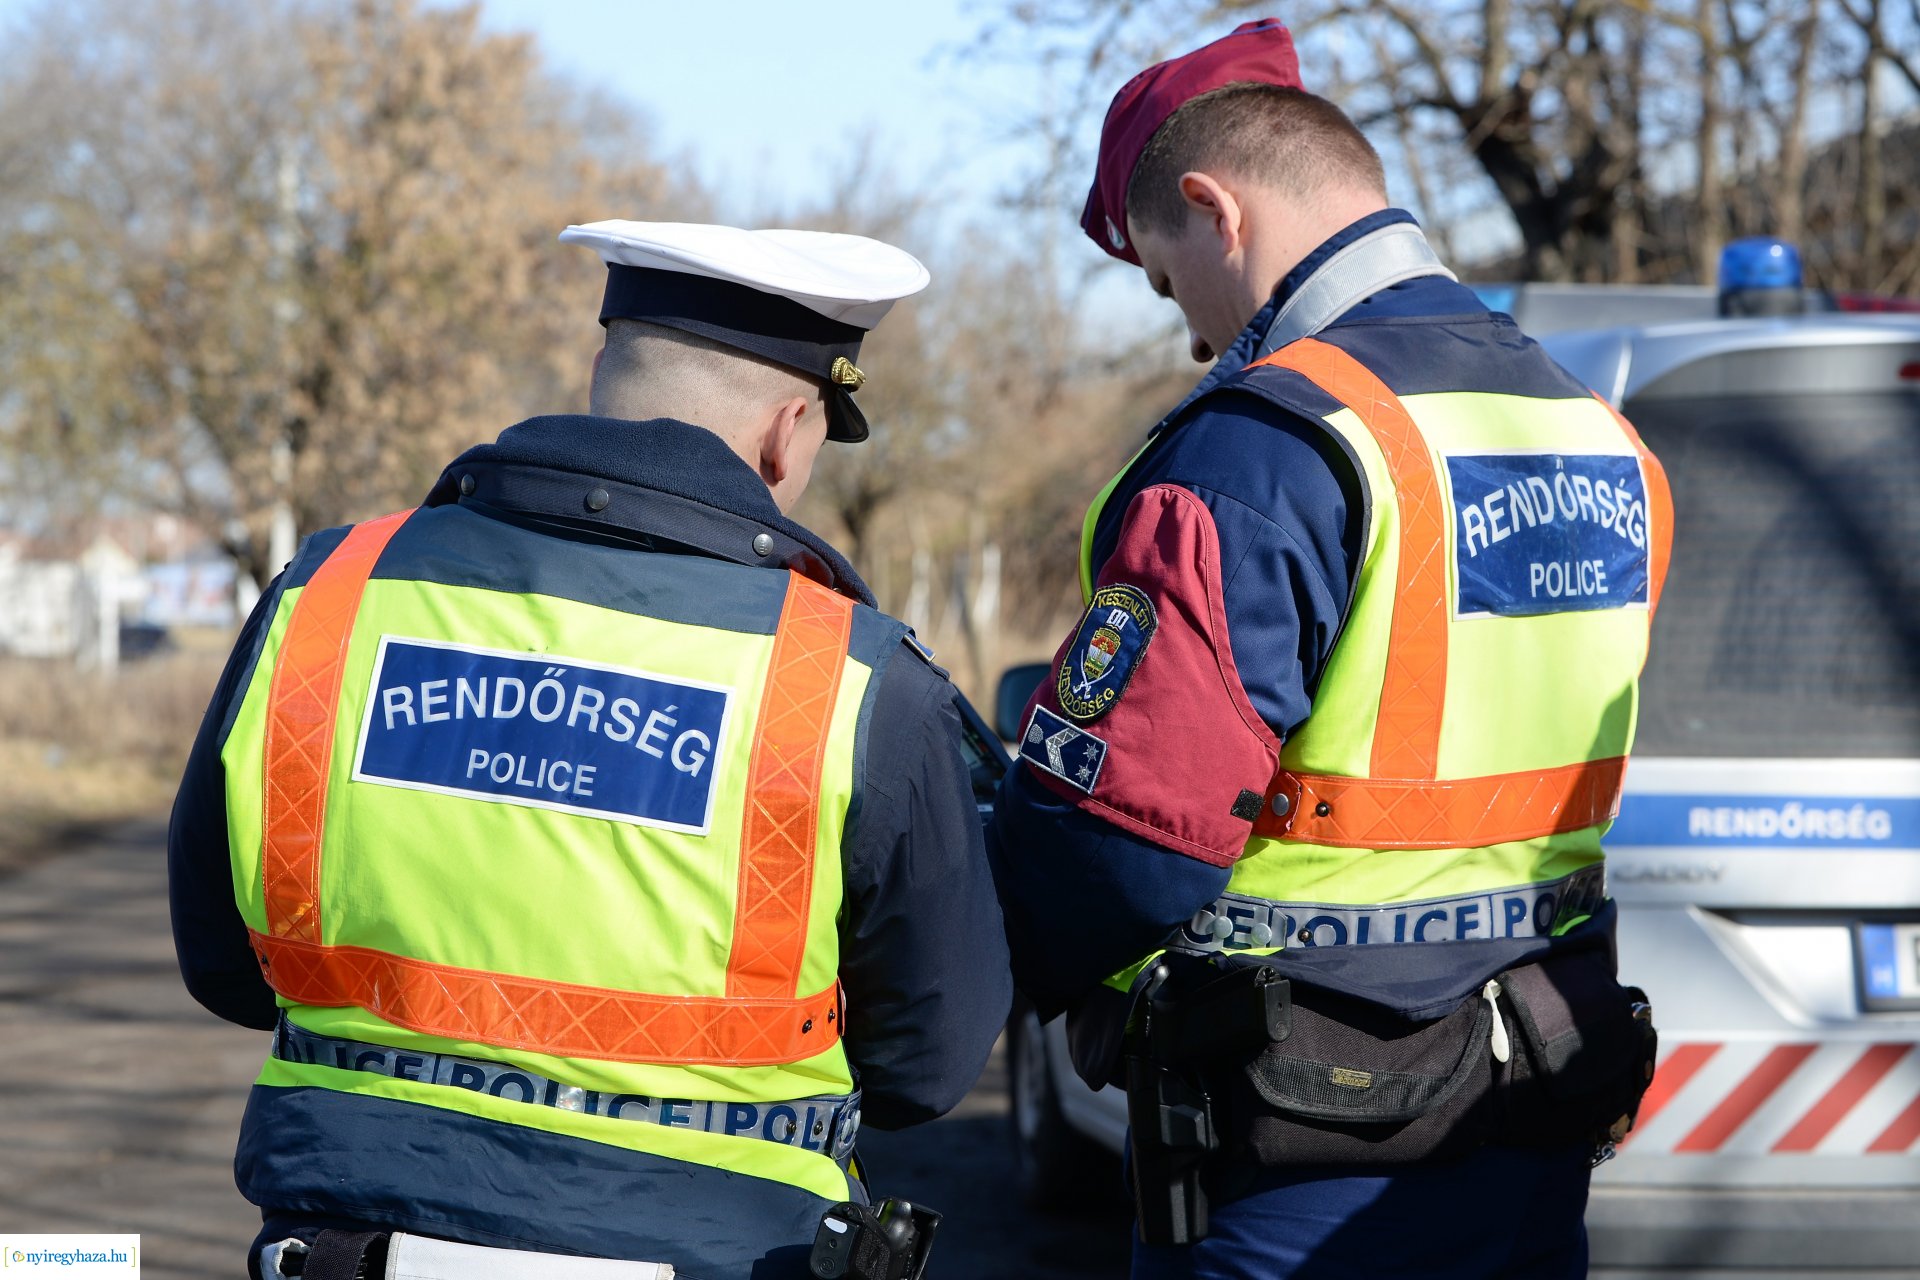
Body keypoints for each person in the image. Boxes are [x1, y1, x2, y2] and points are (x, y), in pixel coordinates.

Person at [167, 220, 1011, 1280]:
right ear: (789, 431)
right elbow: (926, 1065)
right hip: (727, 1251)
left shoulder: (326, 598)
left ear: (604, 376)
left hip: (339, 1238)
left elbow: (224, 965)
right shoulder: (854, 678)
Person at [987, 19, 1671, 1280]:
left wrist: (958, 953)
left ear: (1213, 208)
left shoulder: (1269, 445)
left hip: (1306, 1147)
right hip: (1532, 1111)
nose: (1190, 332)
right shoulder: (1595, 432)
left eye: (1160, 273)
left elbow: (1123, 840)